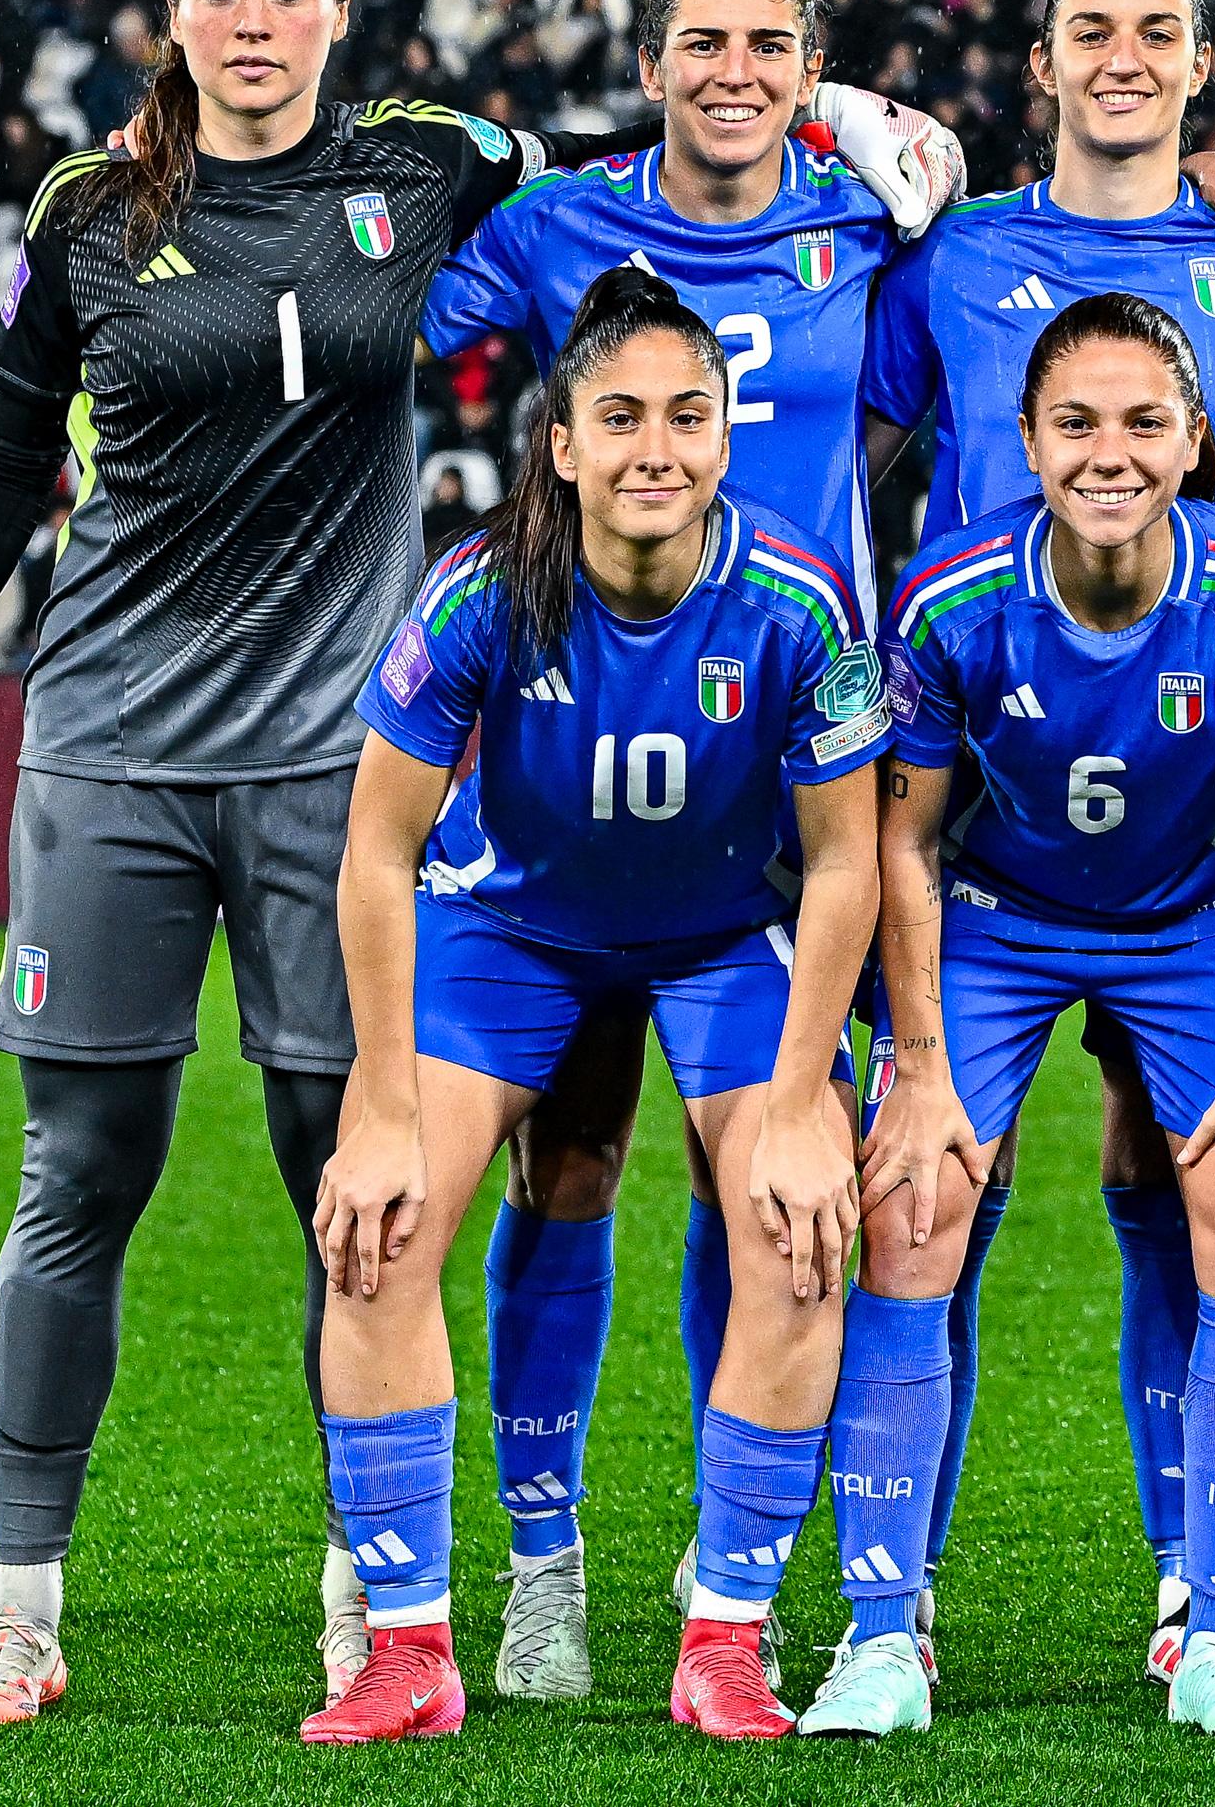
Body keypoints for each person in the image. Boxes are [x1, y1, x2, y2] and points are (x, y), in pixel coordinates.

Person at [0, 0, 942, 1730]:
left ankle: (460, 1591)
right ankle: (47, 1596)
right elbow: (12, 440)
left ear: (340, 14)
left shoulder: (431, 163)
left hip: (427, 760)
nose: (253, 18)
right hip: (139, 738)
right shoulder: (91, 211)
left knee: (441, 1181)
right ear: (171, 12)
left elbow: (632, 140)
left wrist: (826, 110)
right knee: (106, 1169)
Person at [412, 0, 958, 1701]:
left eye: (768, 47)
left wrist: (893, 137)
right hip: (570, 760)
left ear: (810, 70)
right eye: (701, 45)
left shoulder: (866, 226)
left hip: (799, 759)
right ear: (648, 66)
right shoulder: (559, 224)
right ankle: (545, 1562)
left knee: (792, 1183)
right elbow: (396, 310)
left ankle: (800, 1575)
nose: (734, 75)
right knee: (565, 1164)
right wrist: (454, 145)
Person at [301, 267, 886, 1744]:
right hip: (511, 928)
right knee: (372, 1234)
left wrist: (811, 1098)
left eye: (688, 415)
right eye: (618, 416)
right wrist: (374, 1108)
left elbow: (841, 864)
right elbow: (373, 847)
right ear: (559, 440)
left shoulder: (798, 599)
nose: (655, 449)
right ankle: (416, 1642)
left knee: (797, 1227)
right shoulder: (486, 588)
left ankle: (728, 1636)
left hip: (718, 938)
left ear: (727, 429)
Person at [860, 0, 1215, 1682]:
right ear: (1037, 64)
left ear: (1198, 65)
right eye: (1088, 31)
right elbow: (862, 436)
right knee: (925, 1188)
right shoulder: (953, 253)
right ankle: (872, 1597)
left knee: (1177, 1179)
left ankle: (1191, 1590)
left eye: (1156, 32)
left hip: (1186, 809)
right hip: (964, 804)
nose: (1122, 56)